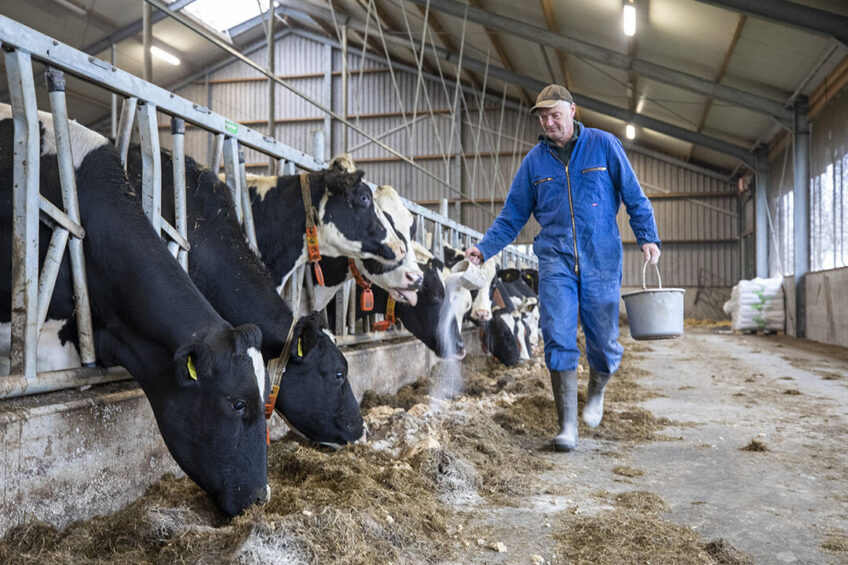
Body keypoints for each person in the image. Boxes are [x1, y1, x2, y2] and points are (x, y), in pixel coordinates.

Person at [465, 84, 661, 452]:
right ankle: (567, 426)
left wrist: (648, 237)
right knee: (556, 332)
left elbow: (635, 196)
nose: (549, 122)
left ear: (573, 111)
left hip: (601, 259)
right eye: (543, 117)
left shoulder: (604, 146)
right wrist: (483, 249)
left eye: (555, 115)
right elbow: (511, 218)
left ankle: (598, 387)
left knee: (603, 342)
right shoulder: (534, 163)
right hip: (555, 259)